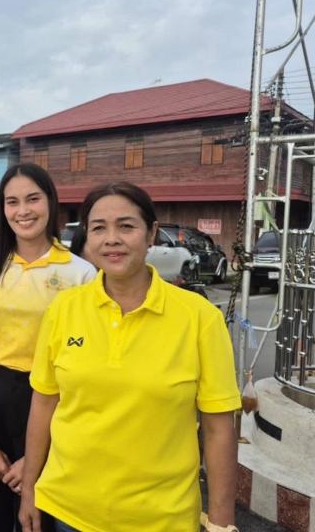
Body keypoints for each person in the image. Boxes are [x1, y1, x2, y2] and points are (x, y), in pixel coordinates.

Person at [19, 182, 240, 532]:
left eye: (126, 226)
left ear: (151, 233)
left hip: (161, 518)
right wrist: (29, 488)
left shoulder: (199, 318)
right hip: (70, 511)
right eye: (98, 228)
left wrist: (221, 523)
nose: (112, 239)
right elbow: (44, 404)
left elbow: (218, 429)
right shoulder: (63, 309)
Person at [0, 163, 96, 532]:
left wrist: (35, 459)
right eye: (12, 202)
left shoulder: (81, 273)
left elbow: (81, 369)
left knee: (37, 521)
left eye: (33, 199)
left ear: (51, 202)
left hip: (49, 406)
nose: (23, 211)